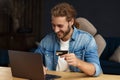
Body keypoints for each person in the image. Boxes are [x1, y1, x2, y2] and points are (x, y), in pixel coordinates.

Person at [35, 2, 102, 76]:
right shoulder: (47, 40)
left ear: (71, 22)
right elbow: (33, 60)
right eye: (53, 25)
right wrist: (39, 67)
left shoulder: (87, 40)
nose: (56, 30)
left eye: (60, 26)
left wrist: (78, 62)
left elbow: (96, 70)